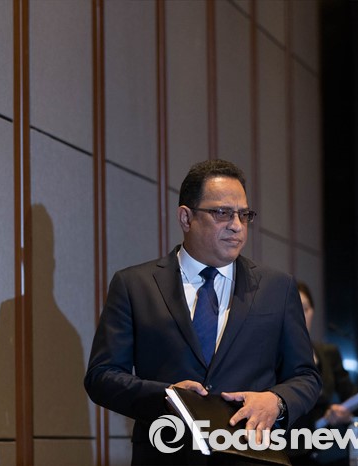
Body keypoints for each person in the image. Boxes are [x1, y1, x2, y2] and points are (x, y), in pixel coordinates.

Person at [84, 159, 322, 465]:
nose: (237, 225)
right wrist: (166, 396)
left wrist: (277, 401)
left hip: (250, 456)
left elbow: (305, 376)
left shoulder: (277, 288)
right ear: (186, 218)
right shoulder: (134, 285)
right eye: (222, 213)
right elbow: (101, 377)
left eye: (244, 215)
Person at [289, 281, 356, 465]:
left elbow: (352, 397)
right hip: (290, 449)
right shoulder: (271, 354)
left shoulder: (328, 353)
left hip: (327, 446)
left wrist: (344, 413)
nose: (301, 315)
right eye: (294, 309)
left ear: (313, 311)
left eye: (305, 308)